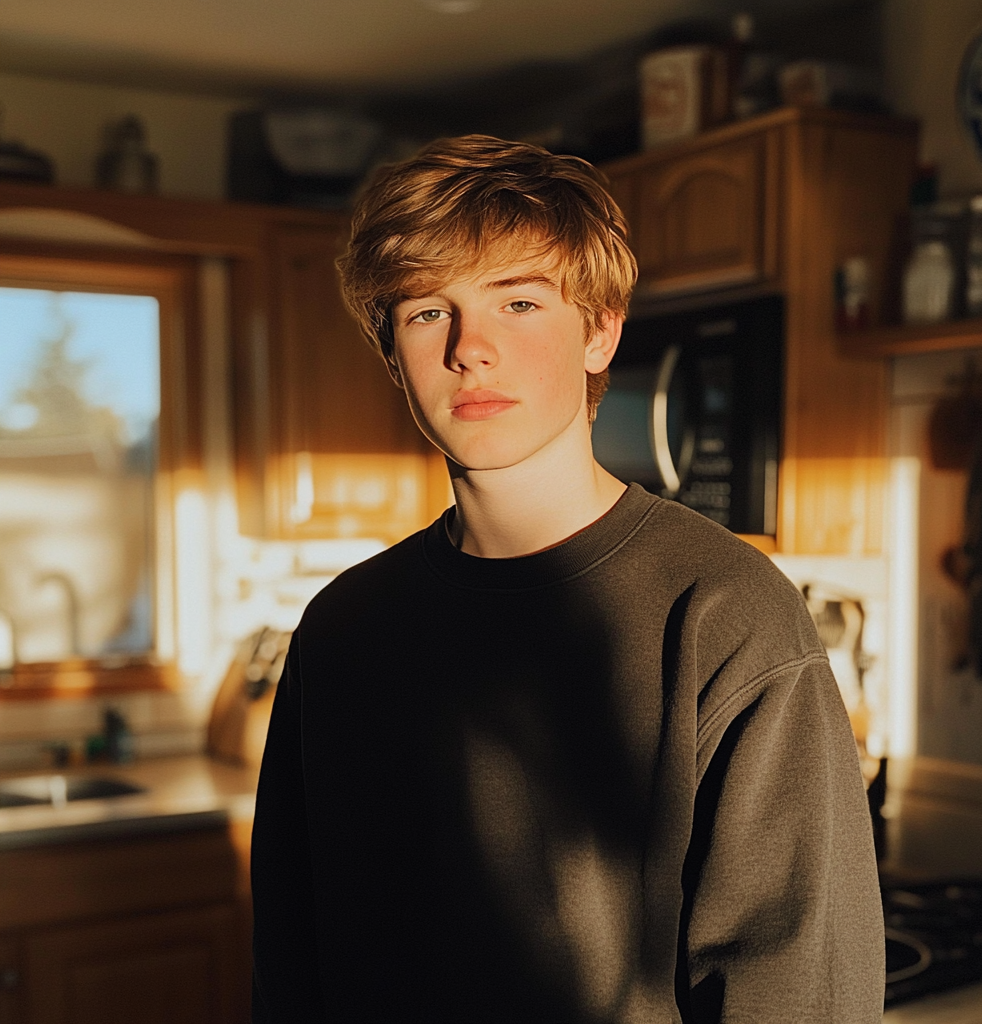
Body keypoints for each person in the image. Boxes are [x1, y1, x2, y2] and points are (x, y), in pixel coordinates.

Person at [250, 135, 885, 1023]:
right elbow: (291, 965)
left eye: (518, 302)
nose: (472, 348)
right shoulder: (342, 630)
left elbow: (792, 992)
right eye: (429, 312)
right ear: (392, 353)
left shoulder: (725, 617)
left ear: (600, 331)